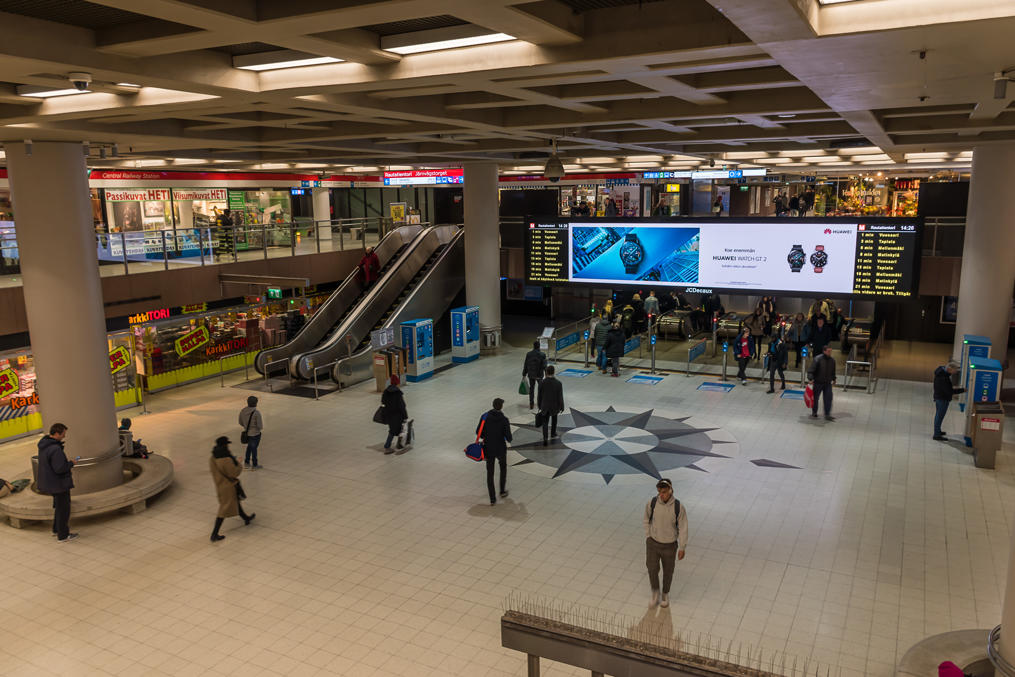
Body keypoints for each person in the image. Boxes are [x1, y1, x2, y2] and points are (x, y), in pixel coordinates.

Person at [643, 478, 688, 608]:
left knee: (668, 571)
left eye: (663, 492)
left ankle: (665, 594)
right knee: (652, 568)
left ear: (670, 490)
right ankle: (655, 592)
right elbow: (646, 519)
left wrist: (682, 547)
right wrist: (648, 535)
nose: (661, 495)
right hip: (653, 543)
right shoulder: (652, 503)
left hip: (670, 546)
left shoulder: (678, 507)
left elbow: (683, 527)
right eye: (659, 492)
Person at [209, 436, 255, 542]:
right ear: (225, 445)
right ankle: (214, 534)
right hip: (228, 487)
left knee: (236, 502)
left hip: (220, 484)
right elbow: (234, 473)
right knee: (224, 510)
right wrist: (238, 463)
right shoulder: (225, 458)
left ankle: (246, 518)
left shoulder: (213, 457)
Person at [37, 423, 76, 542]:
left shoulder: (44, 445)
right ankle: (63, 535)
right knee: (64, 509)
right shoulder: (55, 449)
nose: (64, 436)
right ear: (57, 434)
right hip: (59, 484)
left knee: (59, 507)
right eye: (63, 434)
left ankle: (56, 529)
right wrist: (71, 464)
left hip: (50, 482)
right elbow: (60, 468)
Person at [478, 398, 512, 505]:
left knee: (490, 473)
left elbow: (478, 432)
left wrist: (487, 436)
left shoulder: (485, 417)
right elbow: (509, 438)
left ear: (493, 405)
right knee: (503, 469)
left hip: (488, 448)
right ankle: (502, 491)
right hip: (501, 449)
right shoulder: (504, 420)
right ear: (501, 407)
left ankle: (492, 499)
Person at [932, 360, 964, 441]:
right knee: (939, 416)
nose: (955, 373)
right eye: (954, 371)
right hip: (942, 399)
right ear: (950, 369)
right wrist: (962, 390)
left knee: (938, 415)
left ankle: (938, 431)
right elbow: (949, 391)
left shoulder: (942, 372)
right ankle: (936, 435)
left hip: (939, 396)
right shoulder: (944, 378)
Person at [807, 345, 837, 420]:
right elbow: (811, 370)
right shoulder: (817, 359)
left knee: (828, 398)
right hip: (818, 382)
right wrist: (810, 379)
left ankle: (827, 414)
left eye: (831, 351)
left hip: (827, 383)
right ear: (824, 351)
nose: (830, 353)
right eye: (828, 351)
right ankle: (814, 412)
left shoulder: (832, 360)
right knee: (815, 398)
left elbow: (833, 371)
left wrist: (834, 379)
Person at [538, 365, 565, 445]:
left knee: (545, 422)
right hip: (554, 406)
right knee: (554, 420)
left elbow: (539, 395)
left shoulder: (542, 382)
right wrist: (562, 406)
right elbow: (560, 396)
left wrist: (540, 405)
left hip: (545, 405)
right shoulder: (558, 383)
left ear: (546, 372)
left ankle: (545, 438)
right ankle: (553, 433)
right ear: (553, 372)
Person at [381, 375, 408, 453]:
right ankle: (388, 446)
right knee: (397, 430)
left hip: (389, 415)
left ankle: (398, 445)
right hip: (397, 415)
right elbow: (402, 406)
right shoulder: (398, 393)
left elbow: (383, 402)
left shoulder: (386, 391)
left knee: (393, 430)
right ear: (397, 382)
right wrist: (405, 416)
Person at [238, 396, 263, 469]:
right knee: (254, 449)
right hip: (255, 434)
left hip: (247, 433)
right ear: (256, 403)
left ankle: (247, 462)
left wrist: (246, 426)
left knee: (249, 447)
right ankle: (255, 464)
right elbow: (260, 425)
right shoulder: (256, 413)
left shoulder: (243, 411)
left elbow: (240, 422)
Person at [521, 340, 547, 410]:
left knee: (531, 389)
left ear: (533, 346)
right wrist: (547, 375)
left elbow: (526, 364)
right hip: (539, 375)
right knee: (540, 389)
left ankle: (531, 403)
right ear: (539, 346)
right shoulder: (542, 355)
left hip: (531, 375)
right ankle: (540, 403)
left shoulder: (529, 354)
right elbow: (545, 366)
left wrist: (524, 374)